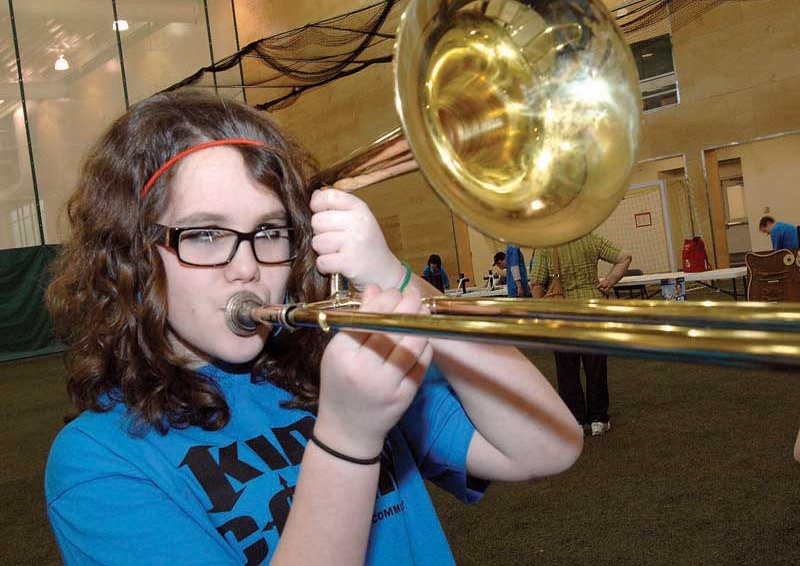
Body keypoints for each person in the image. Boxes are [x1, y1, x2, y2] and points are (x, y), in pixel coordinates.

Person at [43, 90, 582, 565]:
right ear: (130, 259)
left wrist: (396, 279)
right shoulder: (98, 460)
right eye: (206, 235)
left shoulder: (333, 370)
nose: (247, 266)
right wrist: (347, 440)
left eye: (269, 231)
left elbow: (547, 446)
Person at [530, 234, 632, 436]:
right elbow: (625, 257)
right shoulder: (591, 239)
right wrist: (608, 281)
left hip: (562, 316)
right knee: (596, 368)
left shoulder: (546, 246)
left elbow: (537, 284)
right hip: (592, 311)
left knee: (567, 370)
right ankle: (598, 420)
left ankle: (575, 421)